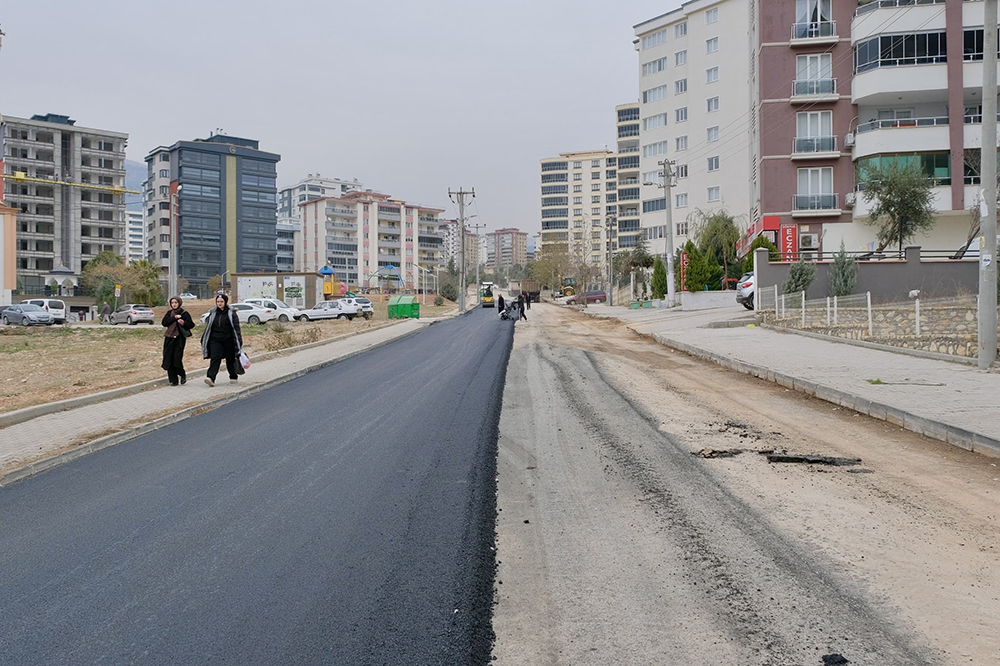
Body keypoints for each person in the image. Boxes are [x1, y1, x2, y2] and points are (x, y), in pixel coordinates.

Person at [201, 294, 243, 387]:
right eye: (218, 302)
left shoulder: (231, 313)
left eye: (221, 302)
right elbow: (209, 326)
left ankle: (233, 376)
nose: (219, 303)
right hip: (215, 340)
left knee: (230, 359)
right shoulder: (213, 312)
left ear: (225, 302)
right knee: (215, 358)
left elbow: (236, 328)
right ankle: (210, 377)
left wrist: (239, 341)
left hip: (228, 340)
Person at [161, 296, 194, 386]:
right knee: (169, 359)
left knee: (176, 359)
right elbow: (164, 323)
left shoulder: (184, 313)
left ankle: (182, 375)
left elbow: (191, 324)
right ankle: (173, 380)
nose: (174, 304)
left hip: (179, 339)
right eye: (172, 303)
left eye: (176, 303)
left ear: (179, 303)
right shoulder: (169, 313)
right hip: (169, 337)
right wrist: (174, 318)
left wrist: (183, 322)